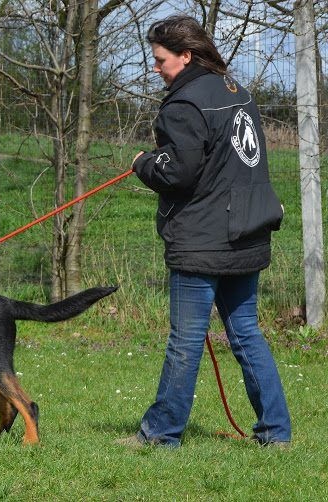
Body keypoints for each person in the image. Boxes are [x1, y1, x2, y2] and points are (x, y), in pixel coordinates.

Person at [119, 16, 291, 448]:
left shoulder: (183, 105)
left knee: (185, 342)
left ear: (186, 56)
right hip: (247, 233)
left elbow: (178, 172)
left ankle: (161, 435)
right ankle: (277, 432)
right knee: (247, 333)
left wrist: (142, 162)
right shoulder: (238, 93)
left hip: (203, 240)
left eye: (160, 61)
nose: (155, 69)